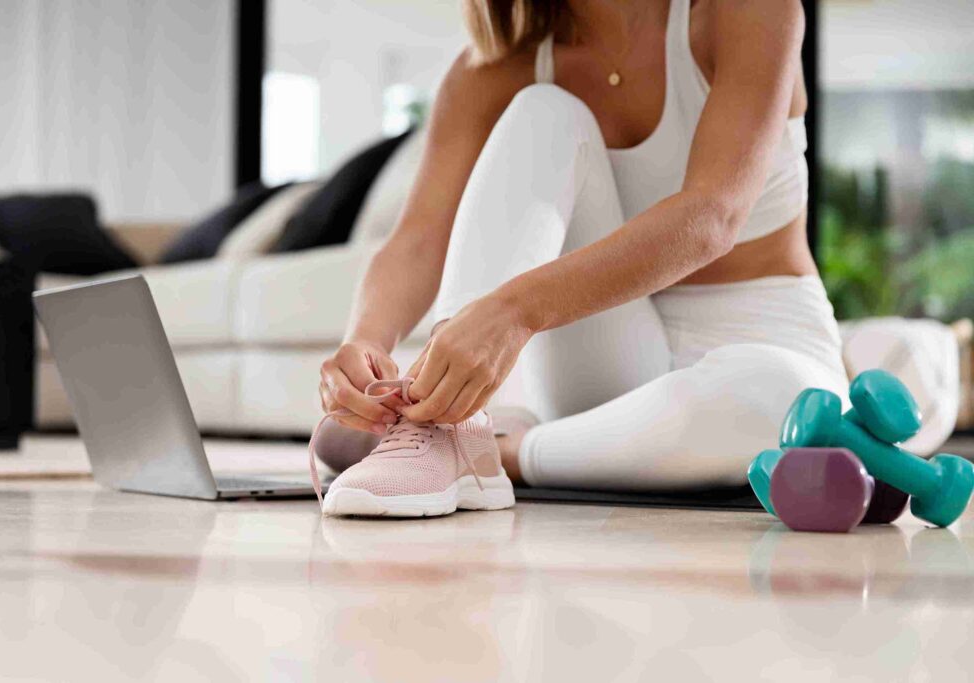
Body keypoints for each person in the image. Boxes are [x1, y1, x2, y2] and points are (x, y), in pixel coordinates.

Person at [308, 0, 847, 518]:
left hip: (765, 338)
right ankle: (449, 425)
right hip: (612, 352)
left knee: (787, 401)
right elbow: (418, 240)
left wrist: (513, 312)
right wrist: (365, 341)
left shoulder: (750, 11)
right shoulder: (494, 69)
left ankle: (499, 451)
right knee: (544, 110)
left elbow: (713, 216)